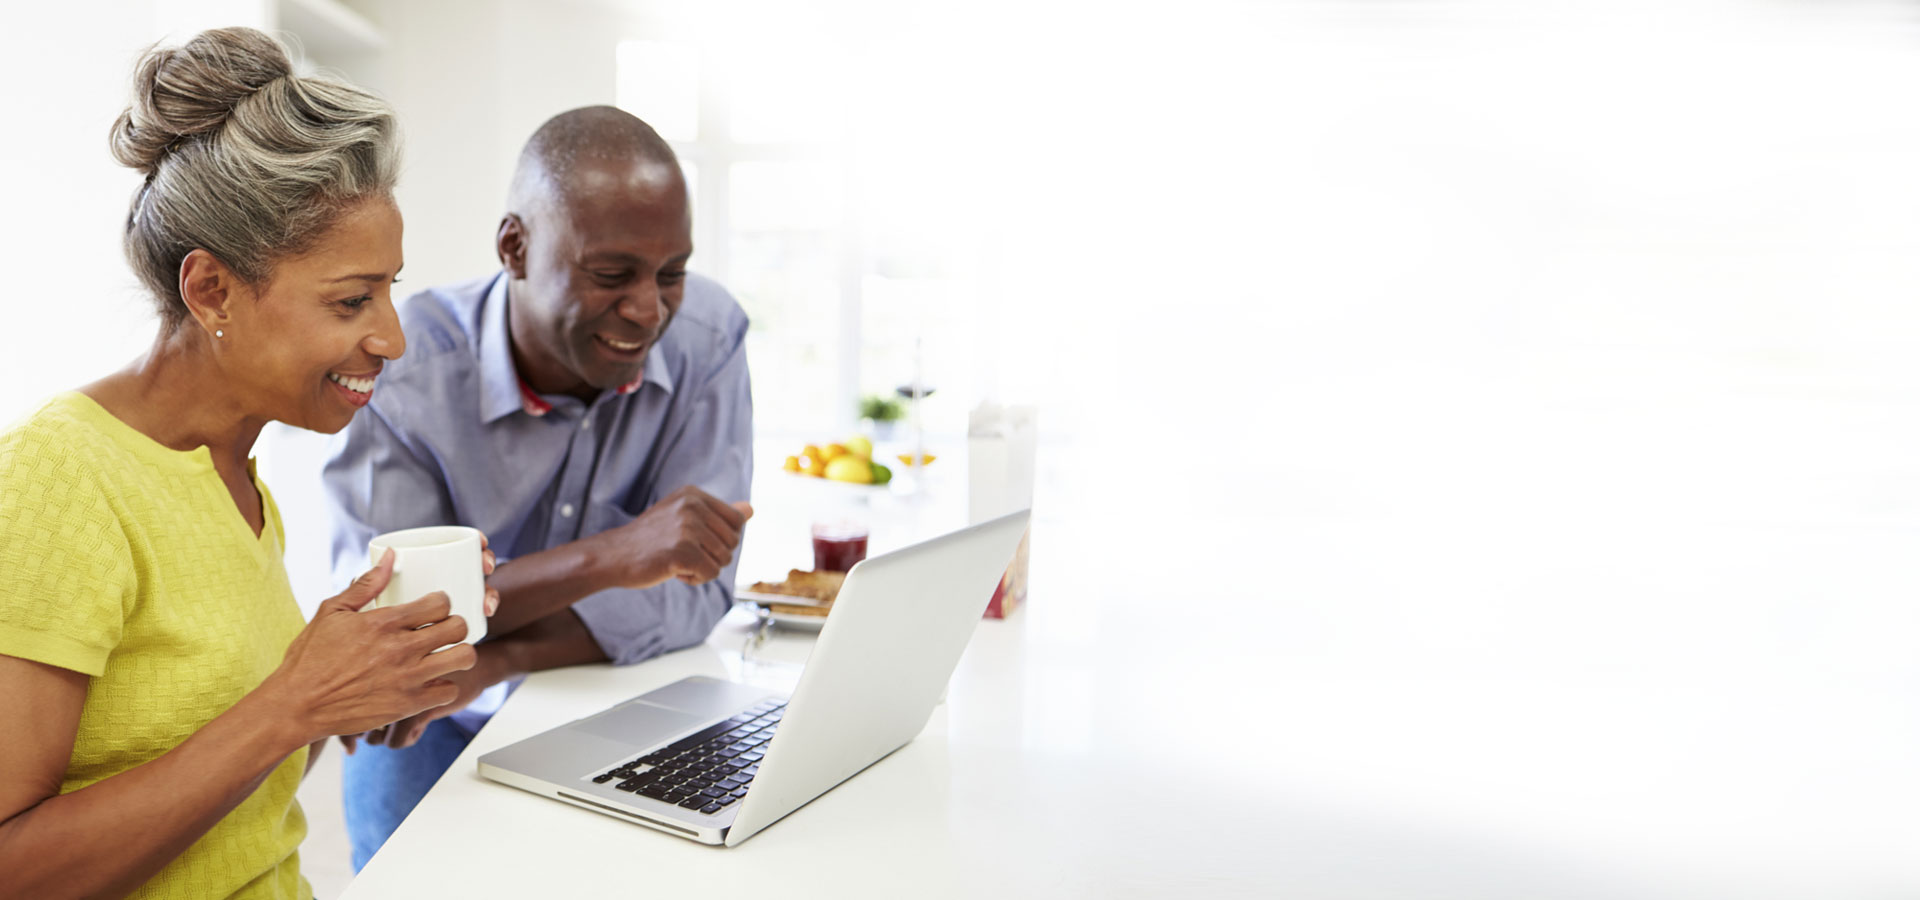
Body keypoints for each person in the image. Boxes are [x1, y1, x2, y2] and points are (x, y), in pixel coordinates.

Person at [0, 27, 498, 900]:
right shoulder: (60, 479)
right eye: (352, 300)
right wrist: (293, 704)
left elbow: (229, 799)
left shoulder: (236, 481)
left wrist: (356, 694)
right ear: (211, 291)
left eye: (390, 290)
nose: (392, 337)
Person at [322, 105, 754, 870]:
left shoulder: (710, 338)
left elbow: (696, 593)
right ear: (514, 248)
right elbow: (390, 632)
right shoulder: (405, 370)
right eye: (611, 275)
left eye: (672, 275)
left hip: (607, 708)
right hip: (428, 720)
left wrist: (492, 658)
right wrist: (616, 557)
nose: (648, 310)